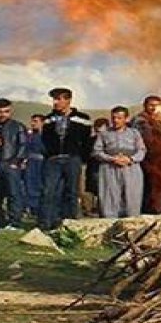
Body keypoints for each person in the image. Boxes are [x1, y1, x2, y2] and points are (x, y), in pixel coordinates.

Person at [40, 88, 93, 229]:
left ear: (68, 100)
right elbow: (44, 140)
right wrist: (49, 154)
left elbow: (87, 142)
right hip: (53, 160)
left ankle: (69, 224)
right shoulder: (48, 119)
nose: (55, 102)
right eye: (54, 99)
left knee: (72, 191)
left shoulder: (83, 118)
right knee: (49, 191)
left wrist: (81, 158)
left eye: (58, 99)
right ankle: (47, 223)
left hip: (72, 159)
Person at [93, 106, 147, 218]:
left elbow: (142, 150)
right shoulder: (104, 134)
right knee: (110, 197)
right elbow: (97, 151)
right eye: (114, 118)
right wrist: (112, 159)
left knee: (132, 197)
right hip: (110, 168)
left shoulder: (134, 133)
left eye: (119, 118)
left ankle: (132, 224)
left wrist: (130, 159)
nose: (116, 120)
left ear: (126, 119)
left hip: (131, 168)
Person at [0, 99, 27, 230]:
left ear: (11, 111)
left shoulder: (18, 126)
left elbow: (23, 145)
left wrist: (16, 162)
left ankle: (15, 222)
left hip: (10, 164)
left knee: (14, 194)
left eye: (6, 111)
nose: (2, 114)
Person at [131, 95, 161, 214]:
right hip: (147, 159)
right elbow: (148, 141)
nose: (154, 108)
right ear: (145, 106)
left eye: (157, 106)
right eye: (151, 105)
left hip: (159, 161)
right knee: (150, 188)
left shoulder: (157, 122)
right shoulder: (140, 121)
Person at [23, 114, 45, 222]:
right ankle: (32, 209)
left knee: (41, 185)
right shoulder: (29, 136)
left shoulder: (47, 136)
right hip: (30, 163)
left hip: (42, 163)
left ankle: (40, 209)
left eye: (35, 121)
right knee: (29, 185)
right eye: (32, 121)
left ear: (42, 122)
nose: (33, 123)